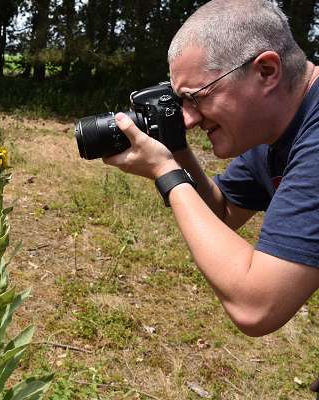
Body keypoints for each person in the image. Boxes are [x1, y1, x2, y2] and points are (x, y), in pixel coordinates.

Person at [103, 0, 319, 338]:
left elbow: (257, 305)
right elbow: (222, 210)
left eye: (196, 97)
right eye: (180, 103)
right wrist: (174, 149)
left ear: (266, 71)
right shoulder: (277, 127)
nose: (188, 118)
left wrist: (166, 173)